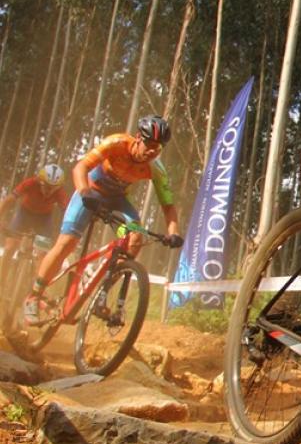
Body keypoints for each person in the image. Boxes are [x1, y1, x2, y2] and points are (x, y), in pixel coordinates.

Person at [23, 116, 184, 324]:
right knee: (67, 243)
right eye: (150, 144)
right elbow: (80, 168)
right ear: (138, 137)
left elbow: (168, 206)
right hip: (90, 193)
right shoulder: (116, 143)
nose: (153, 151)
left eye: (158, 147)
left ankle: (101, 292)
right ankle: (34, 296)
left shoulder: (156, 169)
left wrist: (174, 232)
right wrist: (85, 192)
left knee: (135, 238)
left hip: (117, 202)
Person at [0, 164, 69, 288]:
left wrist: (66, 233)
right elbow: (9, 200)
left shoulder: (60, 193)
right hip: (24, 214)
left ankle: (37, 290)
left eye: (53, 188)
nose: (49, 191)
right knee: (10, 248)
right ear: (40, 181)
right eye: (46, 186)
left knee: (42, 255)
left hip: (44, 220)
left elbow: (68, 213)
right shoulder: (30, 183)